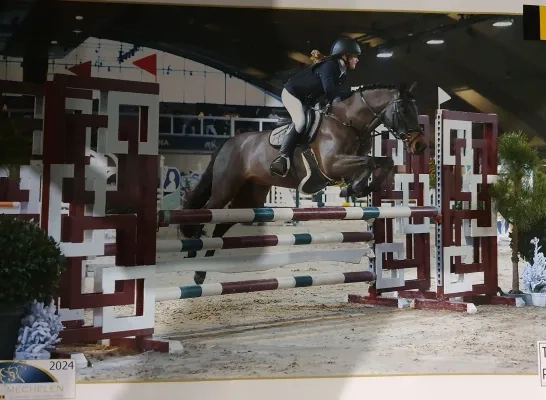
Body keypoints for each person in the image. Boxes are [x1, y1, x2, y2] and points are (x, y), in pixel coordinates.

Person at [269, 37, 362, 178]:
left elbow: (332, 96)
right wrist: (354, 91)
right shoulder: (330, 66)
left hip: (308, 98)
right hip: (292, 93)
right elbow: (330, 90)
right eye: (355, 56)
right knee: (300, 121)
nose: (357, 60)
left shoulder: (342, 73)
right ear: (345, 56)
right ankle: (283, 158)